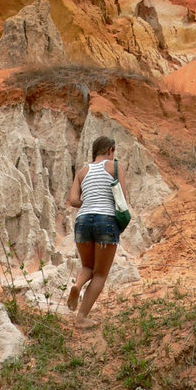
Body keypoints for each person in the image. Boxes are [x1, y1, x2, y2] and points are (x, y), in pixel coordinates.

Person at [67, 135, 128, 329]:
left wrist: (90, 202)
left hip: (83, 220)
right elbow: (122, 198)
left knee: (87, 266)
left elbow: (73, 200)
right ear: (110, 150)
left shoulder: (83, 171)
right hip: (106, 221)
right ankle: (82, 317)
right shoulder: (114, 167)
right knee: (100, 274)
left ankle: (77, 285)